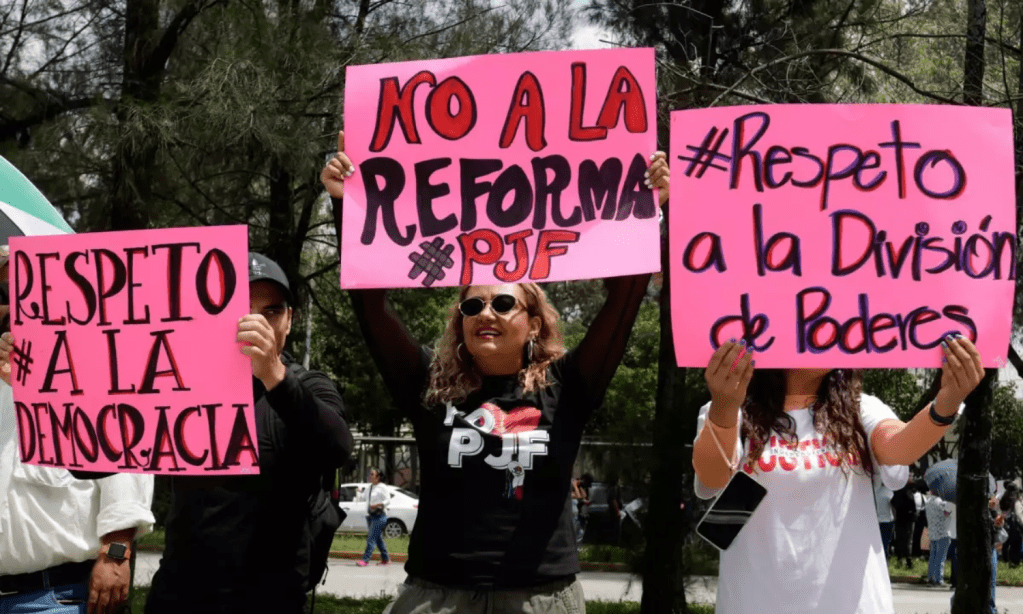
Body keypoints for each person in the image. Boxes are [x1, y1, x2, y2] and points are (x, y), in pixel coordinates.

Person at [321, 130, 669, 613]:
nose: (486, 312)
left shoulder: (566, 388)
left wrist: (645, 207)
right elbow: (370, 307)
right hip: (436, 595)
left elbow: (625, 300)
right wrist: (347, 206)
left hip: (539, 597)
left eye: (503, 302)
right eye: (472, 304)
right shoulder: (430, 388)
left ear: (532, 322)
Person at [692, 335, 984, 613]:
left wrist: (946, 405)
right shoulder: (732, 409)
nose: (826, 335)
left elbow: (900, 447)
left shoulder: (860, 408)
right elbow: (712, 477)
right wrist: (724, 408)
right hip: (755, 603)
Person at [144, 253, 354, 614]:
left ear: (290, 321)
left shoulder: (308, 386)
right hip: (178, 598)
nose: (255, 322)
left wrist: (273, 373)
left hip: (270, 601)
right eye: (241, 310)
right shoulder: (179, 387)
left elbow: (338, 448)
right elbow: (95, 462)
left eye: (271, 312)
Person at [0, 245, 156, 614]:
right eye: (2, 295)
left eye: (25, 294)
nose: (13, 307)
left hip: (53, 598)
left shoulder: (96, 374)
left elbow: (126, 465)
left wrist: (116, 553)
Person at [358, 468, 391, 567]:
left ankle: (365, 560)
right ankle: (386, 559)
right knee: (378, 539)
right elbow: (363, 497)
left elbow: (388, 500)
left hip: (379, 516)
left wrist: (378, 504)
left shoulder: (382, 487)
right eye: (370, 474)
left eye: (372, 474)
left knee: (371, 538)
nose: (370, 476)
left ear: (378, 477)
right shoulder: (370, 487)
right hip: (370, 516)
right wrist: (358, 492)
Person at [925, 491, 953, 586]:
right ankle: (938, 579)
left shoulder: (928, 501)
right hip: (943, 532)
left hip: (932, 532)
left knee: (933, 556)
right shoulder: (941, 502)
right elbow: (948, 513)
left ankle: (930, 577)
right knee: (940, 557)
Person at [891, 481, 918, 569]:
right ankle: (908, 561)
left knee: (899, 539)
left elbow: (893, 504)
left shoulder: (897, 493)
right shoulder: (910, 494)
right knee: (908, 541)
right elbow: (914, 508)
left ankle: (899, 559)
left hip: (899, 519)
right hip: (909, 520)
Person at [874, 472, 895, 561]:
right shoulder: (890, 493)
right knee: (886, 539)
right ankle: (885, 556)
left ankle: (878, 556)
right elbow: (893, 507)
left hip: (878, 519)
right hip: (888, 519)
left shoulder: (877, 492)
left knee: (879, 539)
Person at [1000, 483, 1022, 566]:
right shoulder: (1013, 498)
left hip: (1006, 521)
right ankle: (1015, 560)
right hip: (1013, 522)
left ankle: (1006, 558)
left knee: (1007, 541)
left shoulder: (1004, 497)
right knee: (1016, 541)